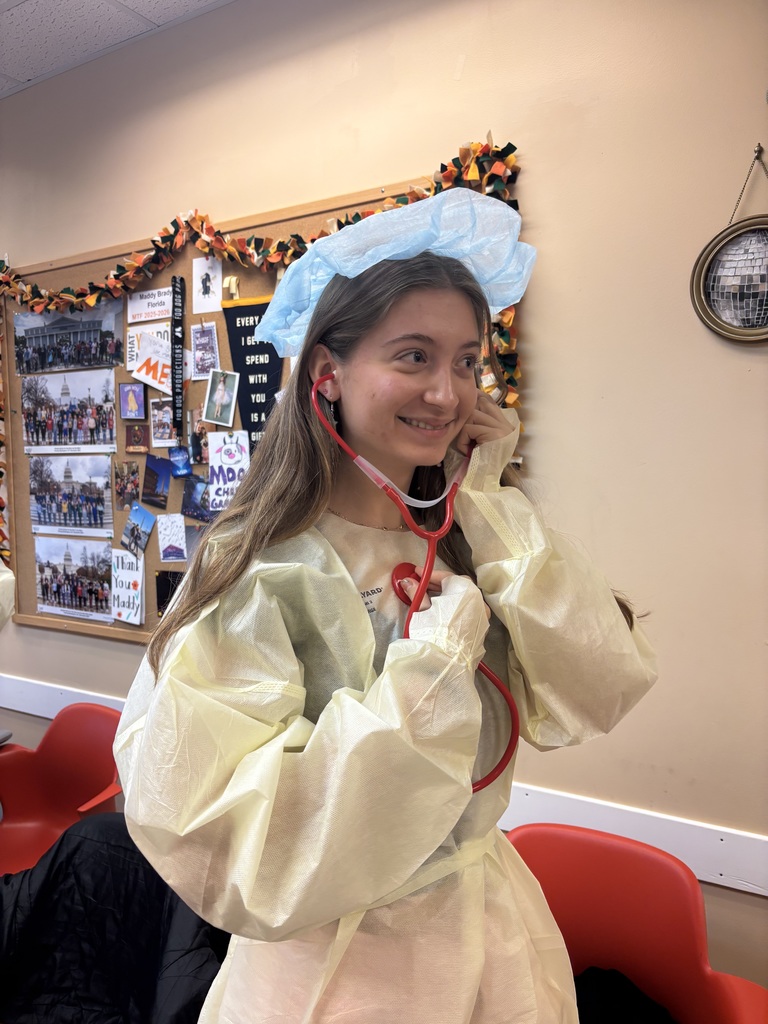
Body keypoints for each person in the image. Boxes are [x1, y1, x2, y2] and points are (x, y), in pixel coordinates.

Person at [115, 188, 657, 1024]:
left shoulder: (474, 538)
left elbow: (598, 687)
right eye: (413, 356)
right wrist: (428, 670)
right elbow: (231, 845)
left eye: (467, 361)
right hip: (333, 973)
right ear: (328, 374)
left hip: (492, 945)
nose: (447, 393)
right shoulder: (257, 571)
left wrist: (491, 506)